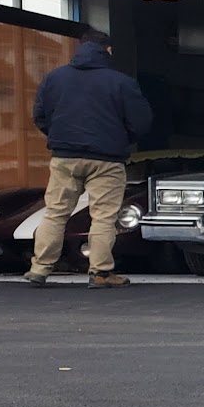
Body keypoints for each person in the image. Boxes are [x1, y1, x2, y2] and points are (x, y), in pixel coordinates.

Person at [26, 27, 152, 288]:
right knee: (103, 216)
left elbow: (40, 116)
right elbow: (141, 122)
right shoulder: (121, 82)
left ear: (79, 48)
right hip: (107, 159)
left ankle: (39, 269)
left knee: (55, 213)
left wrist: (62, 138)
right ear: (108, 50)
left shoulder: (55, 78)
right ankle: (100, 273)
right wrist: (119, 139)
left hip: (65, 157)